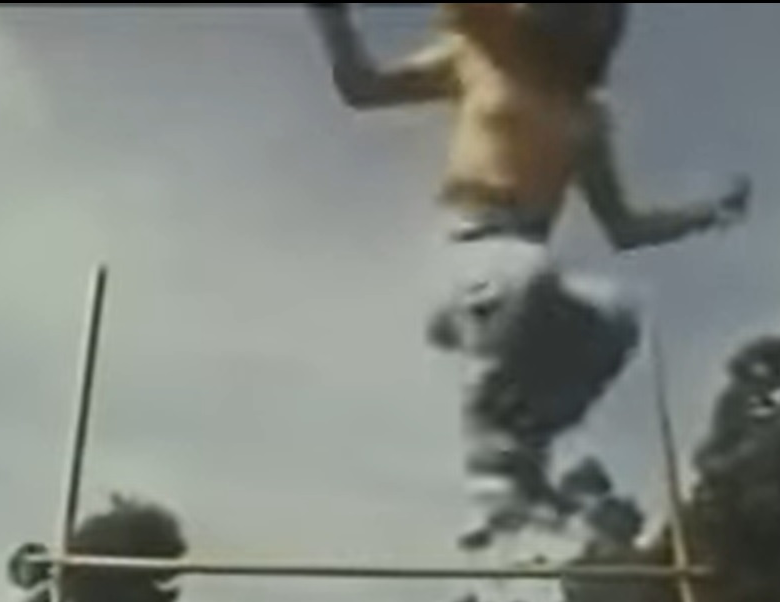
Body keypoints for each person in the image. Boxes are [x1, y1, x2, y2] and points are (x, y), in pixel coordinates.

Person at [308, 4, 751, 547]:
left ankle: (526, 457)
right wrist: (333, 22)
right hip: (462, 251)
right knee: (526, 272)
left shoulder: (585, 117)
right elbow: (365, 89)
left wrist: (707, 214)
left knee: (615, 315)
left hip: (522, 279)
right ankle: (488, 476)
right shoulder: (484, 52)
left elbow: (624, 228)